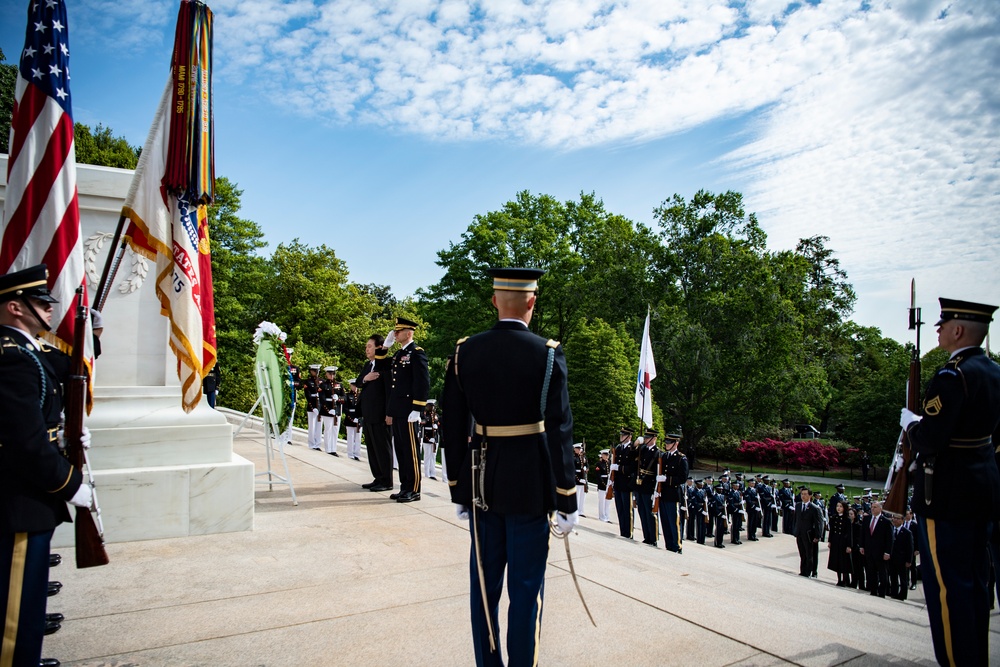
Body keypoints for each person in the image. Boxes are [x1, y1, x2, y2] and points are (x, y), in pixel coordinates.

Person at [441, 267, 576, 667]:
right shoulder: (547, 353)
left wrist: (459, 488)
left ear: (494, 301)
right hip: (532, 486)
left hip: (482, 483)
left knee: (483, 589)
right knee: (526, 589)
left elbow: (452, 426)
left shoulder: (466, 351)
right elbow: (559, 429)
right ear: (532, 302)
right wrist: (566, 496)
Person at [0, 265, 94, 667]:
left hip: (31, 495)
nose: (50, 311)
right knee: (14, 615)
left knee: (27, 599)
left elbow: (54, 384)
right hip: (19, 498)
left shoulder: (26, 352)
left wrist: (68, 430)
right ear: (14, 308)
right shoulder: (10, 357)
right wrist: (70, 484)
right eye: (40, 304)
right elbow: (24, 441)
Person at [900, 298, 1000, 666]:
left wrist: (910, 422)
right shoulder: (993, 371)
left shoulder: (951, 376)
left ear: (959, 330)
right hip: (983, 490)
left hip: (947, 496)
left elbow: (929, 439)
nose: (939, 329)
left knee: (948, 592)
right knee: (975, 586)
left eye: (944, 324)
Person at [384, 317, 429, 503]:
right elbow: (381, 366)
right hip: (399, 410)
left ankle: (414, 489)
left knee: (411, 452)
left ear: (409, 333)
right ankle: (405, 488)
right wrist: (384, 348)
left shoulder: (416, 353)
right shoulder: (398, 354)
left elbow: (422, 382)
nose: (395, 334)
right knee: (401, 451)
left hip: (410, 410)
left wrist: (418, 408)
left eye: (398, 331)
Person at [359, 335, 393, 492]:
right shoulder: (368, 365)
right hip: (368, 413)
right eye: (366, 347)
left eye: (370, 346)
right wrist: (366, 378)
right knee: (372, 448)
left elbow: (389, 391)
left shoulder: (385, 366)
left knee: (382, 448)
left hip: (380, 414)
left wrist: (389, 413)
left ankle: (386, 481)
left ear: (379, 348)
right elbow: (359, 381)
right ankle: (378, 477)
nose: (367, 349)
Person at [656, 433, 688, 553]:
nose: (667, 445)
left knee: (674, 521)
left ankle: (677, 545)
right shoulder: (664, 457)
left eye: (669, 443)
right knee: (665, 521)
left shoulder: (681, 458)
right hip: (663, 492)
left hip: (673, 494)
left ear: (676, 444)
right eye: (666, 442)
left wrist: (666, 479)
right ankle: (668, 544)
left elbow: (682, 478)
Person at [860, 501, 893, 597]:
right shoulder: (867, 519)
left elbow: (889, 539)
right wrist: (862, 546)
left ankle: (882, 592)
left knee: (882, 573)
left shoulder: (886, 522)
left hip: (881, 552)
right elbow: (863, 534)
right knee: (871, 572)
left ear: (880, 509)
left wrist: (887, 552)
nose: (872, 509)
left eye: (875, 507)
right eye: (872, 507)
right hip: (869, 551)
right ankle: (873, 590)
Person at [634, 430, 659, 546]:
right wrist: (636, 444)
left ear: (654, 438)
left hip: (649, 486)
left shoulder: (658, 453)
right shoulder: (642, 449)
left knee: (650, 513)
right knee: (642, 511)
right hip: (640, 485)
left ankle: (653, 538)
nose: (646, 439)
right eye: (645, 437)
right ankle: (646, 536)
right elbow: (631, 456)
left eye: (648, 438)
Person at [610, 427, 637, 538]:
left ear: (629, 437)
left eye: (624, 435)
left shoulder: (632, 449)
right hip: (618, 483)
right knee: (620, 509)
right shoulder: (619, 448)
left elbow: (633, 467)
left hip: (627, 483)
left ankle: (629, 532)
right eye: (621, 434)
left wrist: (619, 467)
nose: (621, 436)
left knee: (627, 509)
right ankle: (623, 531)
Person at [794, 487, 822, 577]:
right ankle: (803, 570)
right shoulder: (798, 506)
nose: (803, 496)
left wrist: (817, 536)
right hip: (800, 533)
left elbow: (818, 523)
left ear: (810, 496)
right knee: (802, 553)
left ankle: (809, 571)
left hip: (809, 534)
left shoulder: (815, 508)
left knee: (809, 554)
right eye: (802, 494)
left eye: (805, 494)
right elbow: (796, 519)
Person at [888, 514, 914, 601]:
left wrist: (909, 560)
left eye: (897, 518)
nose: (895, 520)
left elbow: (910, 548)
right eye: (894, 518)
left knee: (903, 578)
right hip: (892, 558)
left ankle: (902, 595)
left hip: (902, 559)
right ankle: (894, 593)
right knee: (893, 577)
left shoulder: (907, 533)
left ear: (902, 520)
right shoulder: (891, 530)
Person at [319, 366, 344, 456]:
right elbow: (322, 399)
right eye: (330, 374)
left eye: (333, 374)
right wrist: (329, 410)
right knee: (328, 429)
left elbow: (344, 397)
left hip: (337, 410)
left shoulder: (339, 385)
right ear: (326, 374)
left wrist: (339, 398)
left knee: (335, 430)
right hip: (327, 410)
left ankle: (333, 448)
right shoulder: (323, 385)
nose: (332, 375)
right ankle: (328, 448)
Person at [827, 500, 852, 586]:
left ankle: (845, 580)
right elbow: (832, 531)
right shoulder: (834, 518)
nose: (839, 508)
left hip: (843, 542)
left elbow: (849, 534)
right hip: (835, 541)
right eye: (838, 506)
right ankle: (839, 579)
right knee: (836, 560)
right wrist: (830, 541)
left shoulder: (847, 520)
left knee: (843, 561)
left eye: (841, 506)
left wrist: (849, 545)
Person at [342, 380, 362, 461]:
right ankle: (350, 453)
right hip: (350, 419)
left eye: (356, 386)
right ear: (351, 386)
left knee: (358, 438)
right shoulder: (347, 395)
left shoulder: (361, 395)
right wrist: (352, 418)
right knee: (350, 437)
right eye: (354, 385)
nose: (355, 387)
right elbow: (345, 409)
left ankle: (357, 453)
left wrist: (360, 418)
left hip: (359, 419)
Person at [304, 364, 322, 449]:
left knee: (319, 426)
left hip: (320, 405)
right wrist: (312, 407)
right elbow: (308, 395)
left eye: (317, 371)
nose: (316, 373)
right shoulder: (308, 381)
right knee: (312, 426)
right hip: (312, 405)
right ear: (311, 371)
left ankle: (318, 443)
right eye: (315, 371)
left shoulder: (321, 381)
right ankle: (311, 443)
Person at [421, 400, 439, 480]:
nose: (432, 407)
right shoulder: (424, 415)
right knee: (427, 455)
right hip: (427, 437)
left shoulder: (436, 415)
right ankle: (427, 473)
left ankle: (433, 473)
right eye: (430, 406)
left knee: (433, 456)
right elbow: (423, 423)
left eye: (433, 406)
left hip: (435, 438)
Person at [595, 449, 611, 523]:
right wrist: (603, 484)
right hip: (602, 485)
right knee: (602, 501)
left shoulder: (609, 463)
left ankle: (607, 516)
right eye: (605, 455)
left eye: (607, 455)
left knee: (607, 502)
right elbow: (598, 476)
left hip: (608, 484)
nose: (606, 456)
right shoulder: (599, 464)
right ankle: (602, 516)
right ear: (602, 455)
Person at [573, 443, 588, 517]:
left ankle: (580, 511)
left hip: (583, 479)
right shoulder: (573, 458)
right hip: (577, 480)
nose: (579, 450)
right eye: (577, 449)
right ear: (574, 449)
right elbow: (573, 471)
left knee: (582, 496)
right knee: (576, 496)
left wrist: (586, 468)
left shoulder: (582, 458)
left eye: (580, 449)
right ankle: (575, 510)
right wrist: (578, 480)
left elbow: (586, 466)